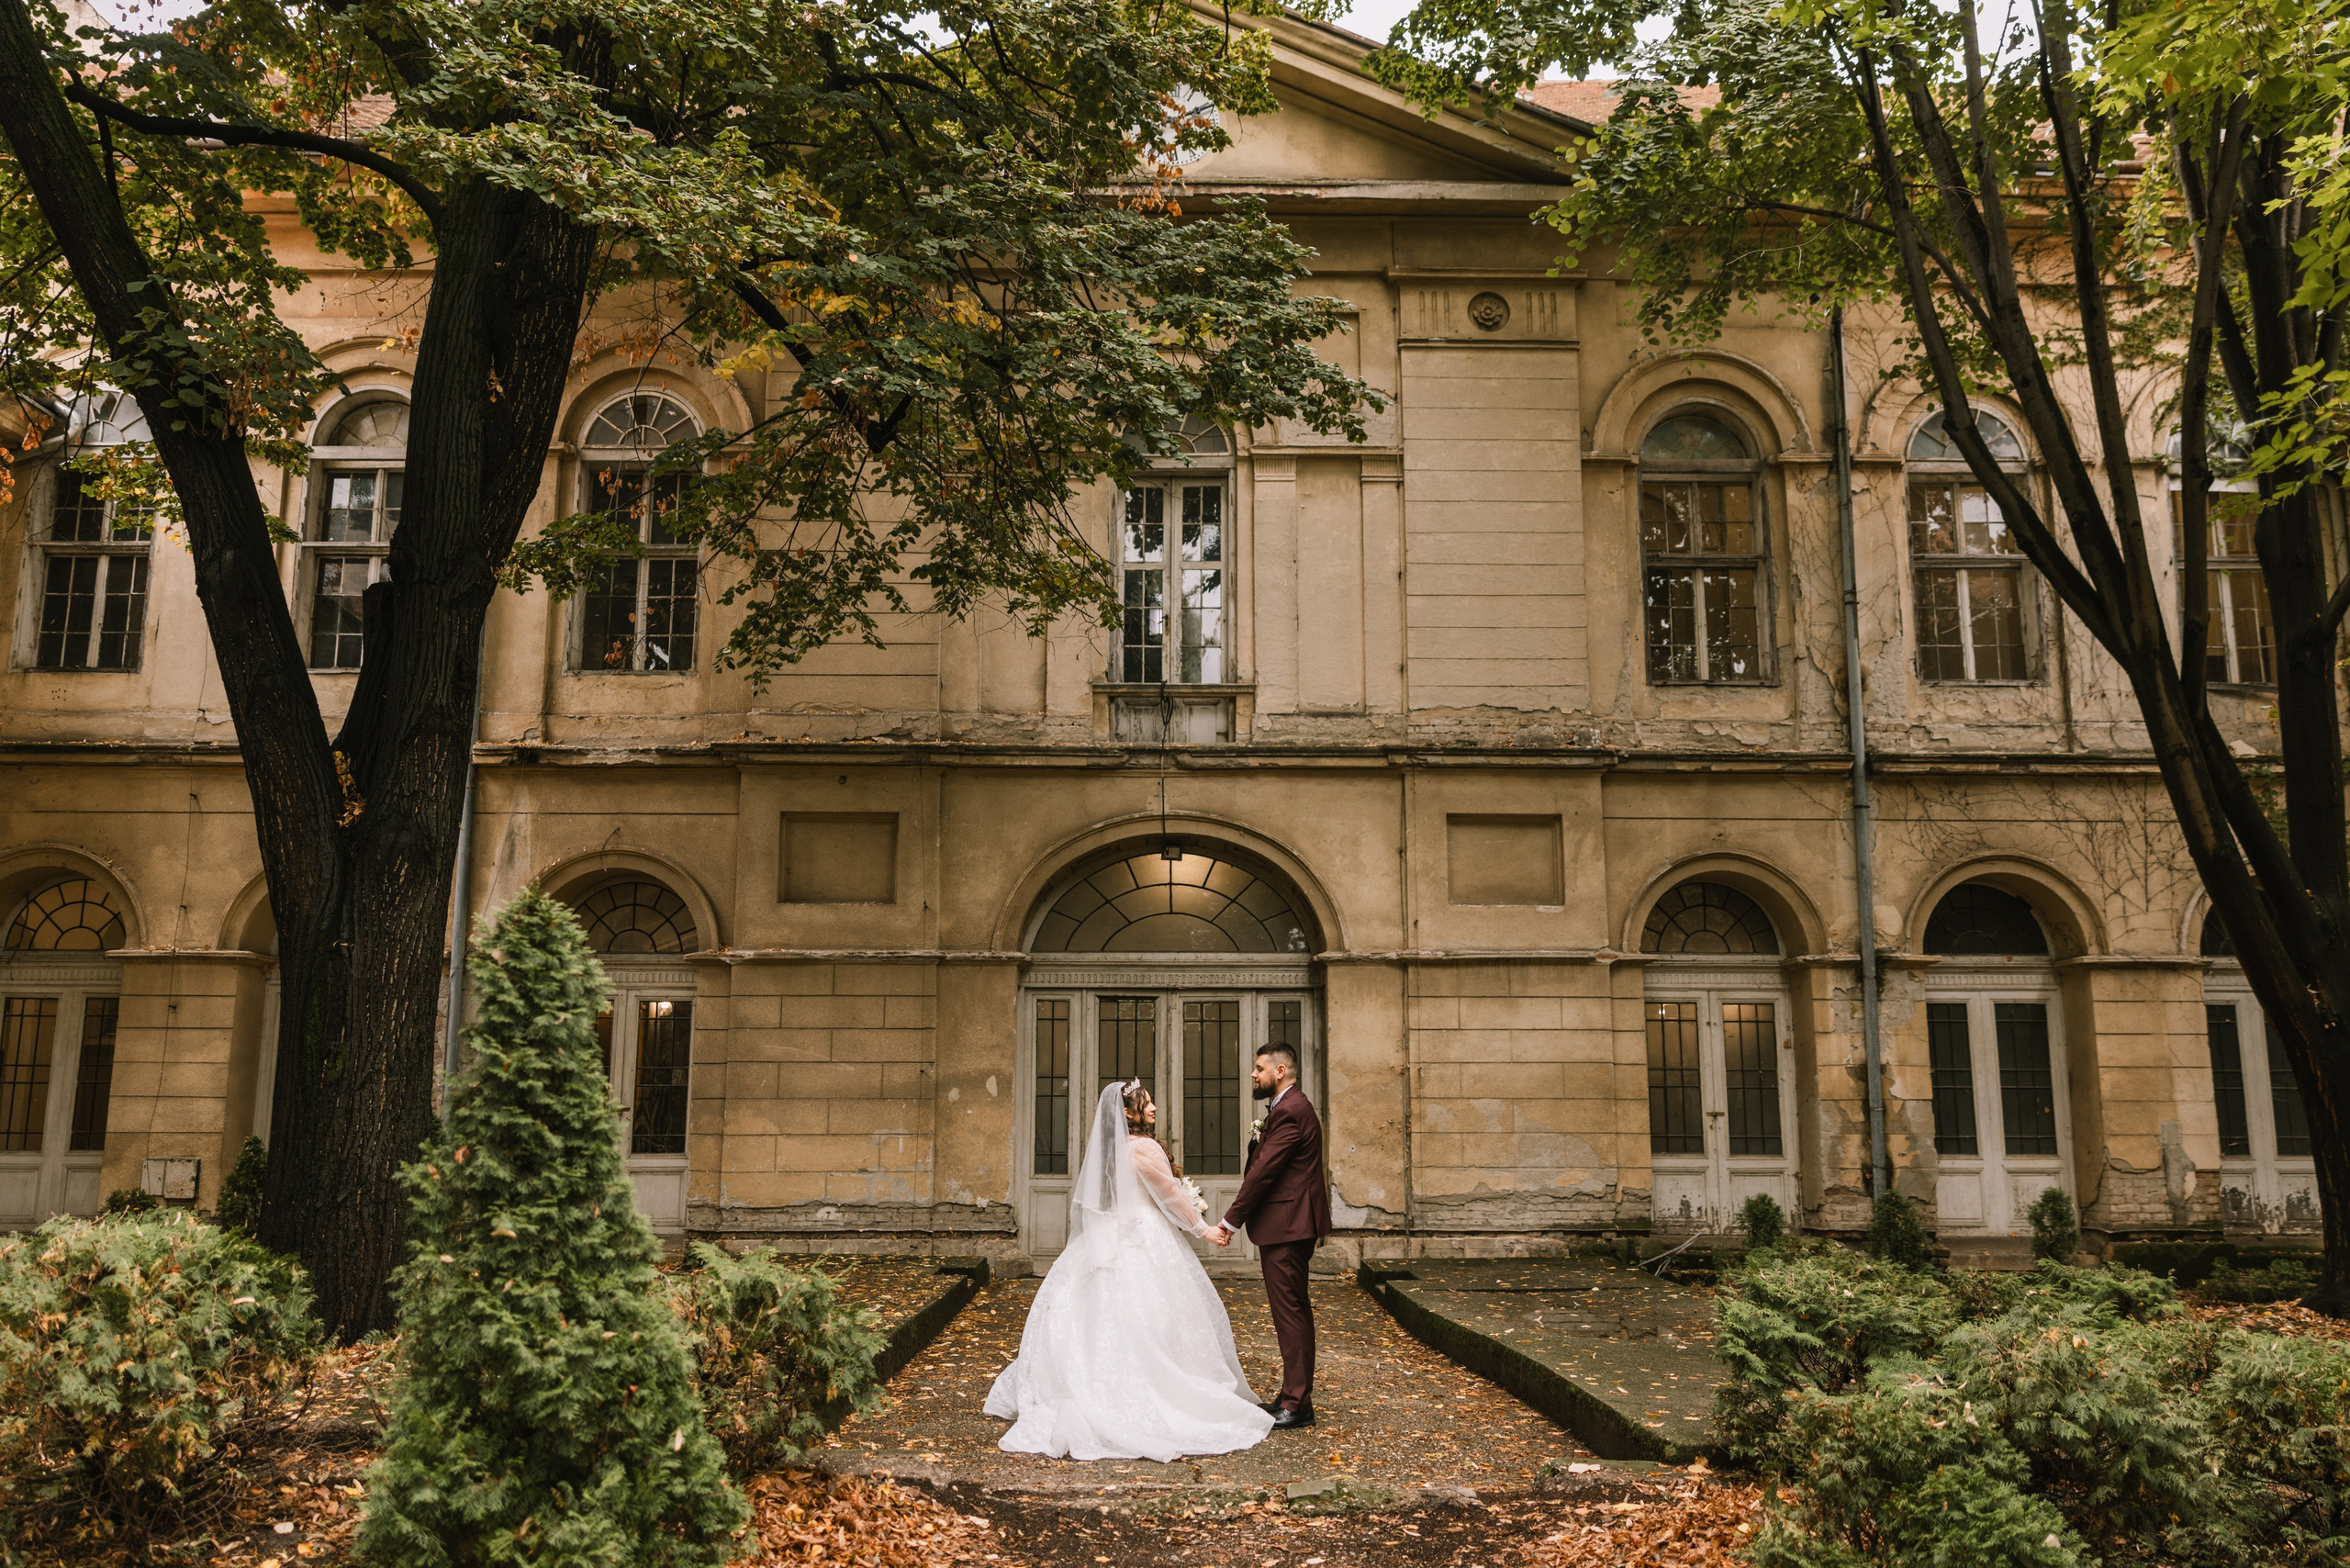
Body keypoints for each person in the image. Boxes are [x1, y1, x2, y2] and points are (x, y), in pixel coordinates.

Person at [985, 1080, 1274, 1461]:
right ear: (1126, 1112)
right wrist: (1202, 1228)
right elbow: (1169, 1194)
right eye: (1145, 1102)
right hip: (1144, 1234)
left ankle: (1092, 1382)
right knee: (1153, 1313)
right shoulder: (1143, 1147)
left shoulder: (1111, 1149)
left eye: (1152, 1101)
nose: (1153, 1107)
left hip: (1111, 1232)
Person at [1206, 1042, 1330, 1429]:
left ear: (1280, 1071)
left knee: (1290, 1313)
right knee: (1293, 1311)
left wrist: (1229, 1222)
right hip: (1289, 1224)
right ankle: (1292, 1394)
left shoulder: (1291, 1110)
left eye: (1259, 1068)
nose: (1253, 1074)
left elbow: (1264, 1171)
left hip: (1289, 1226)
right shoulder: (1286, 1107)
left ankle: (1297, 1404)